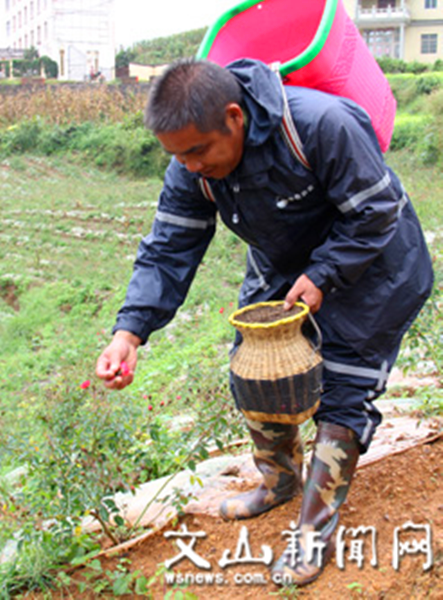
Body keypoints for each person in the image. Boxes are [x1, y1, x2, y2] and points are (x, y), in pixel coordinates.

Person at [96, 57, 433, 585]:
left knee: (344, 387)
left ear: (234, 117)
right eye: (176, 155)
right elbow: (167, 249)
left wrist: (324, 273)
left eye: (196, 151)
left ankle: (313, 533)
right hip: (286, 265)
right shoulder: (193, 167)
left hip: (376, 262)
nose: (187, 165)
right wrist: (129, 331)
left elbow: (377, 212)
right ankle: (278, 481)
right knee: (254, 367)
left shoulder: (321, 125)